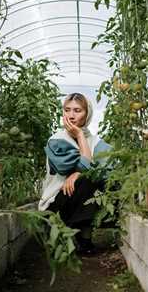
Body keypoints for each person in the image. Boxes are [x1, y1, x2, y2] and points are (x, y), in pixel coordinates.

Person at [38, 92, 111, 253]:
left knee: (95, 181)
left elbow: (108, 172)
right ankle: (59, 228)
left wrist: (78, 173)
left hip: (80, 198)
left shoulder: (97, 142)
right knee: (87, 179)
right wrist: (78, 135)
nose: (71, 116)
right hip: (57, 200)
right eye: (67, 110)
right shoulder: (57, 140)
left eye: (77, 111)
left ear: (87, 114)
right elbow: (75, 168)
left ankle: (83, 236)